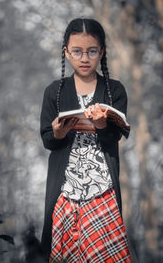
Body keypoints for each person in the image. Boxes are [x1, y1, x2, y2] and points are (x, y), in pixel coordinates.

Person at [40, 18, 132, 262]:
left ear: (101, 52)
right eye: (77, 51)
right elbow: (47, 139)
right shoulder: (54, 91)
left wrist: (102, 124)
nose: (84, 58)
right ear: (66, 53)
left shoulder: (114, 90)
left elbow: (116, 136)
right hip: (65, 193)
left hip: (103, 191)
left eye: (92, 51)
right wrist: (58, 133)